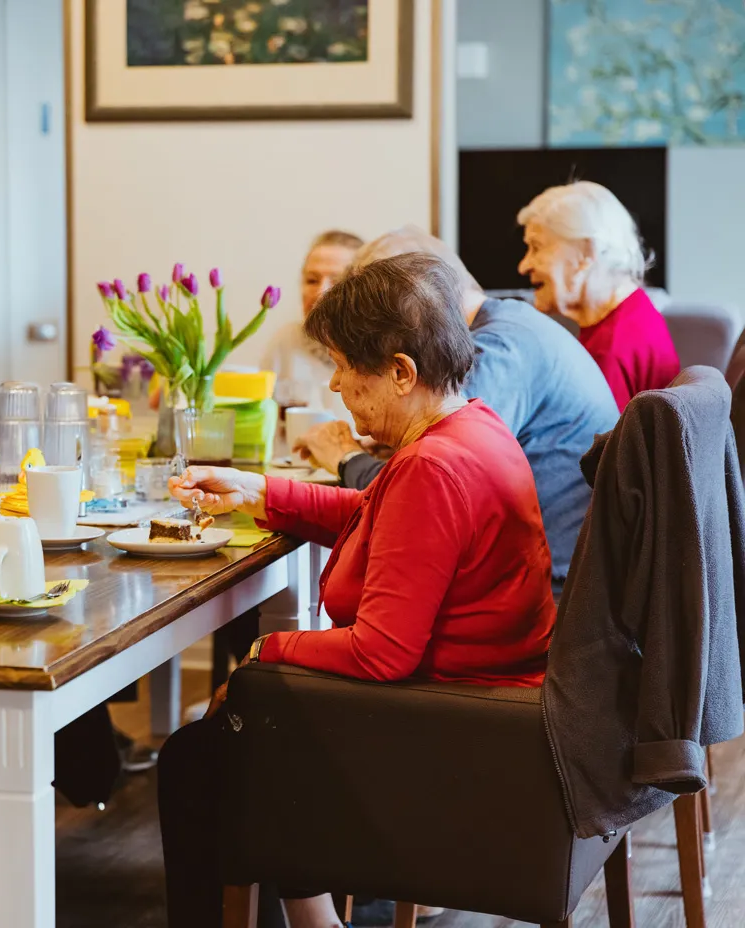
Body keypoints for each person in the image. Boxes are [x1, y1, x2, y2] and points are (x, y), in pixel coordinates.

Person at [156, 254, 557, 928]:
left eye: (346, 368)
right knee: (255, 722)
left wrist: (264, 651)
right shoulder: (471, 427)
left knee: (202, 754)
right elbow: (383, 522)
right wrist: (262, 491)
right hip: (488, 699)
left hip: (452, 723)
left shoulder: (433, 466)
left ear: (402, 372)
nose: (336, 385)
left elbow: (381, 655)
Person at [292, 226, 619, 595]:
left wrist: (345, 456)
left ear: (418, 297)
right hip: (551, 581)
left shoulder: (495, 349)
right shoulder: (510, 323)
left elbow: (421, 494)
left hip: (556, 593)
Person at [517, 181, 679, 410]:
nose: (524, 266)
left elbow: (595, 445)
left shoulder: (611, 350)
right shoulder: (635, 311)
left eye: (536, 247)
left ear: (587, 253)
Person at [261, 230, 363, 428]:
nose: (320, 291)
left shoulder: (378, 353)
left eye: (336, 280)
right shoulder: (285, 341)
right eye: (312, 280)